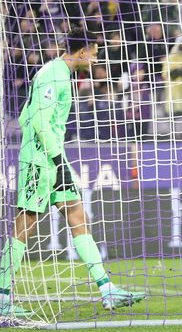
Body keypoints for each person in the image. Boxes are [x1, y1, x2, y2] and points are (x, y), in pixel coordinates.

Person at [0, 28, 145, 317]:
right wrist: (53, 159)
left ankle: (107, 290)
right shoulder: (53, 74)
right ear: (82, 51)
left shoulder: (61, 73)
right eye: (94, 52)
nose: (95, 58)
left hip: (54, 156)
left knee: (77, 215)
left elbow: (30, 113)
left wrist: (57, 158)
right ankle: (3, 296)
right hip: (41, 157)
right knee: (25, 224)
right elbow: (38, 121)